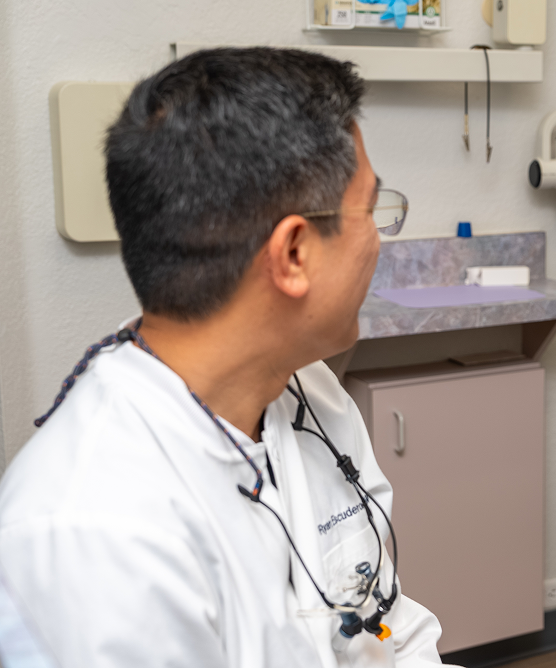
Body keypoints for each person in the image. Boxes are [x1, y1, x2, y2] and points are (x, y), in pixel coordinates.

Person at [0, 47, 452, 668]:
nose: (378, 239)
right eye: (370, 212)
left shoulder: (311, 393)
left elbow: (388, 631)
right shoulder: (92, 532)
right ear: (294, 254)